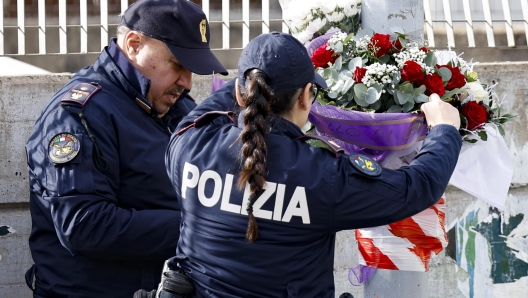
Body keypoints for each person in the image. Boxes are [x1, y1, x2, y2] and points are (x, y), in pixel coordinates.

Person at [162, 32, 462, 297]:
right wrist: (445, 130)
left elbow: (213, 105)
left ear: (242, 93)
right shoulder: (322, 176)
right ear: (306, 97)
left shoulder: (188, 145)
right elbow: (416, 188)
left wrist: (262, 68)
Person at [24, 0, 227, 297]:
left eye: (191, 69)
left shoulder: (176, 105)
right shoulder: (79, 114)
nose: (186, 81)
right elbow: (84, 225)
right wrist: (203, 226)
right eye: (177, 65)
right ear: (133, 44)